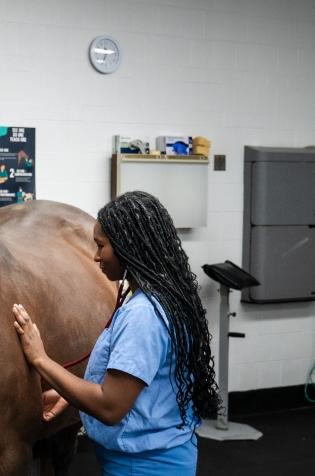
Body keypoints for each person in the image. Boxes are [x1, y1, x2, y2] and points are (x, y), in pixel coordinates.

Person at [12, 191, 221, 475]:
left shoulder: (143, 315)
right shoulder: (163, 298)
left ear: (127, 247)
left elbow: (110, 407)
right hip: (157, 456)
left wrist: (40, 359)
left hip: (144, 466)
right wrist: (70, 395)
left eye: (101, 246)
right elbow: (133, 384)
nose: (96, 257)